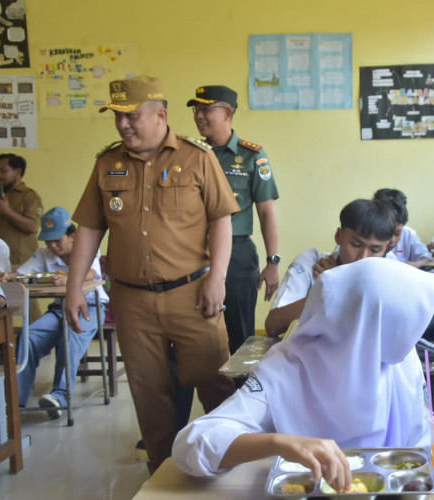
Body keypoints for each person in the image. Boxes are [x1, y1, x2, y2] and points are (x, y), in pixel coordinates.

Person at [65, 76, 239, 473]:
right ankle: (162, 475)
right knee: (149, 393)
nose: (124, 124)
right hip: (132, 300)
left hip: (192, 294)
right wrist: (75, 288)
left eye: (132, 115)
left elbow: (221, 220)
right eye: (118, 117)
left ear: (161, 115)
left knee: (214, 383)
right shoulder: (107, 164)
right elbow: (90, 229)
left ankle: (232, 467)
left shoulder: (198, 158)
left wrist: (217, 279)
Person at [172, 258, 434, 488]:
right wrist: (281, 443)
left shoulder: (399, 363)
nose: (408, 340)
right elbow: (190, 447)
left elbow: (420, 445)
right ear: (370, 325)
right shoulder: (287, 370)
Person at [187, 85, 280, 354]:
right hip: (192, 252)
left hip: (237, 255)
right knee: (192, 334)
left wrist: (272, 261)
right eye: (196, 109)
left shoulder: (252, 155)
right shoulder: (190, 154)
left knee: (240, 337)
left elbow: (266, 212)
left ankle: (242, 393)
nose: (199, 115)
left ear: (227, 113)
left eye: (206, 109)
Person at [1, 207, 108, 418]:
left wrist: (70, 279)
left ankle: (60, 396)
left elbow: (92, 272)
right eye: (48, 240)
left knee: (71, 335)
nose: (52, 245)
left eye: (56, 240)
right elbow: (22, 272)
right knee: (28, 336)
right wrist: (6, 275)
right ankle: (16, 401)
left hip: (90, 308)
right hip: (59, 310)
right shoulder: (44, 254)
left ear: (72, 236)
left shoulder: (86, 248)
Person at [264, 199, 395, 337]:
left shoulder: (391, 271)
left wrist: (344, 283)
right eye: (356, 245)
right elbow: (273, 325)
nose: (362, 257)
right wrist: (330, 286)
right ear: (338, 236)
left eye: (375, 250)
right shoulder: (311, 262)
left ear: (386, 248)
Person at [0, 153, 43, 266]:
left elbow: (33, 227)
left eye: (3, 171)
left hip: (20, 262)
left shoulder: (30, 196)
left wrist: (7, 211)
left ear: (17, 171)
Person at [373, 188, 432, 268]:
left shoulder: (410, 234)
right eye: (387, 232)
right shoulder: (367, 235)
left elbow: (426, 257)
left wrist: (414, 264)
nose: (392, 240)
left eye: (397, 234)